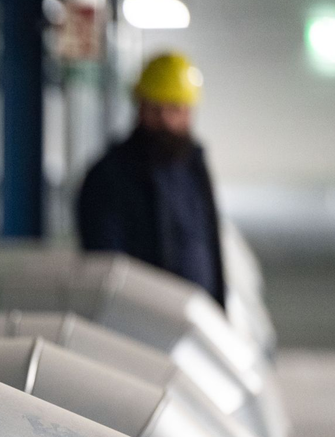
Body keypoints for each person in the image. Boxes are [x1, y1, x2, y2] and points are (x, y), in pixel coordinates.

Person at [77, 52, 226, 305]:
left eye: (175, 109)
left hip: (199, 320)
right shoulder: (108, 176)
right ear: (139, 107)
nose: (166, 120)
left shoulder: (195, 168)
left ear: (189, 113)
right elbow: (105, 266)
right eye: (156, 109)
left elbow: (211, 245)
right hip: (139, 325)